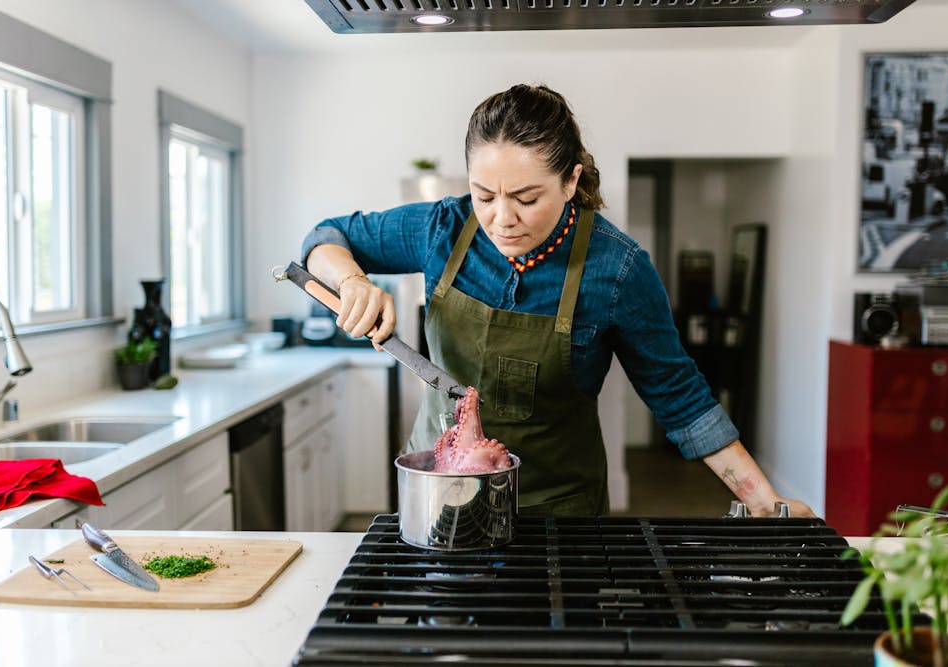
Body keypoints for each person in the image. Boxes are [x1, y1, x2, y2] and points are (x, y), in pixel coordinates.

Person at [302, 83, 814, 518]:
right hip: (442, 493)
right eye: (484, 195)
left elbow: (681, 398)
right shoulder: (442, 228)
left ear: (570, 181)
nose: (502, 218)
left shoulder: (617, 269)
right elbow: (325, 238)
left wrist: (766, 502)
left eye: (526, 199)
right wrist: (352, 282)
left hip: (557, 509)